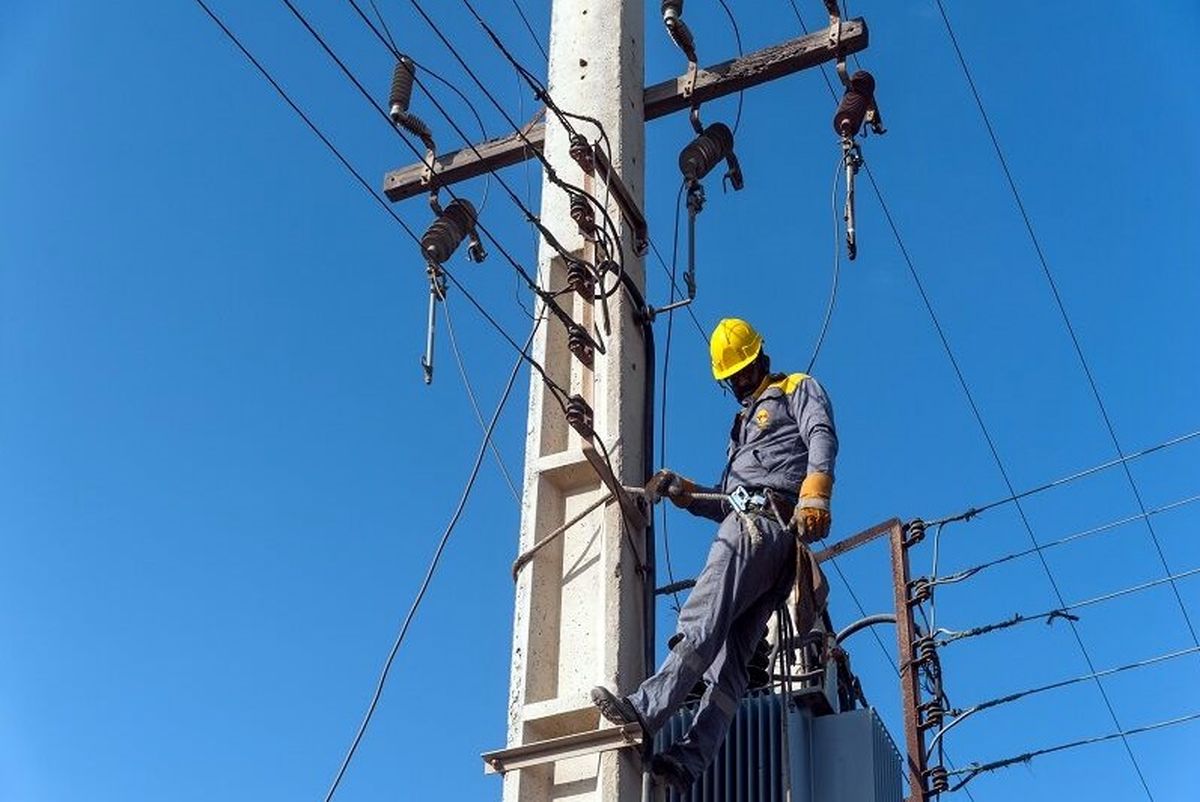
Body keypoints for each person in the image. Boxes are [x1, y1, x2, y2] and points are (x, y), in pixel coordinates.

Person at [590, 317, 839, 791]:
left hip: (762, 529)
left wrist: (817, 490)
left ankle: (644, 712)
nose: (742, 383)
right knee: (730, 662)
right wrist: (687, 494)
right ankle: (688, 761)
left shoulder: (794, 388)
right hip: (761, 537)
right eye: (735, 378)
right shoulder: (741, 427)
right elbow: (728, 499)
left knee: (701, 618)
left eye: (746, 371)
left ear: (761, 357)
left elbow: (821, 434)